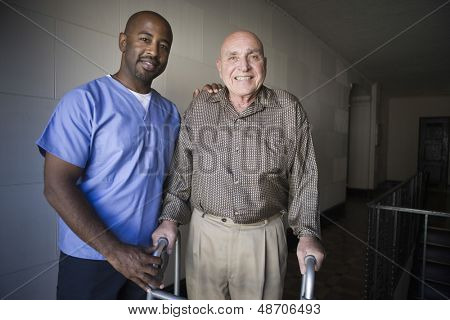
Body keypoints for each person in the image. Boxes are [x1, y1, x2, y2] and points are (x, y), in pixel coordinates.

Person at [152, 30, 325, 299]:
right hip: (205, 234)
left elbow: (305, 177)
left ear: (264, 64)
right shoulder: (200, 106)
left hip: (263, 236)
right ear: (220, 67)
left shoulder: (288, 109)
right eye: (233, 57)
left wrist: (308, 233)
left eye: (252, 57)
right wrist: (169, 219)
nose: (243, 66)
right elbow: (181, 174)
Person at [37, 11, 180, 299]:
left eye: (164, 45)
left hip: (146, 258)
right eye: (145, 39)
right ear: (123, 42)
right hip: (90, 259)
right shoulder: (84, 102)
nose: (154, 50)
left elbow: (171, 180)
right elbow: (56, 186)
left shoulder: (170, 113)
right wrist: (115, 252)